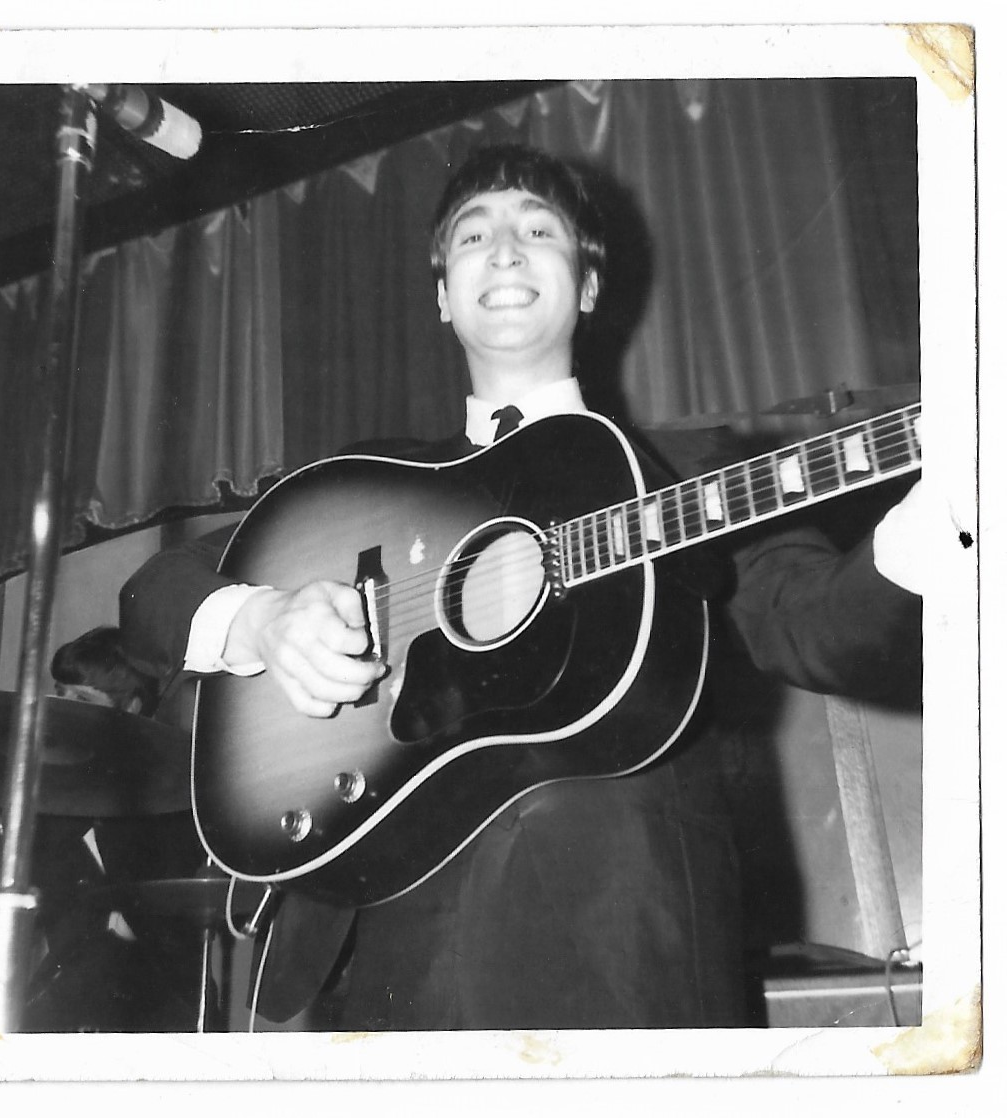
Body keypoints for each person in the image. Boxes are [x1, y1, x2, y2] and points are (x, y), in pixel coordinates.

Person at [119, 144, 923, 1030]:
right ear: (441, 297)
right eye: (473, 235)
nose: (504, 249)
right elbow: (158, 590)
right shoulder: (359, 490)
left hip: (618, 939)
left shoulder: (684, 477)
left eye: (539, 229)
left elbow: (820, 624)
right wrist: (265, 623)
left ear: (585, 287)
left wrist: (940, 523)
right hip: (386, 946)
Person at [22, 626, 206, 1031]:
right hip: (62, 998)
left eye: (83, 700)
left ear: (132, 709)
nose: (61, 708)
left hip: (157, 1005)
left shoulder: (170, 793)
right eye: (59, 692)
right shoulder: (42, 802)